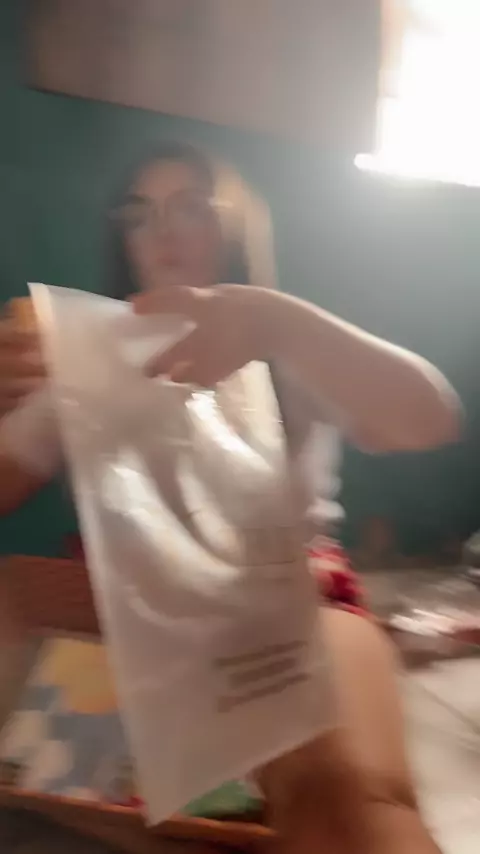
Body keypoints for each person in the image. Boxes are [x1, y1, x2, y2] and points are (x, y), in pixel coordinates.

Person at [0, 141, 458, 852]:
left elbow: (427, 419)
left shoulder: (285, 346)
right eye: (140, 213)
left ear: (235, 227)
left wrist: (280, 323)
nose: (163, 230)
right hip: (124, 605)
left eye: (191, 207)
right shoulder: (84, 357)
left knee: (346, 793)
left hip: (288, 600)